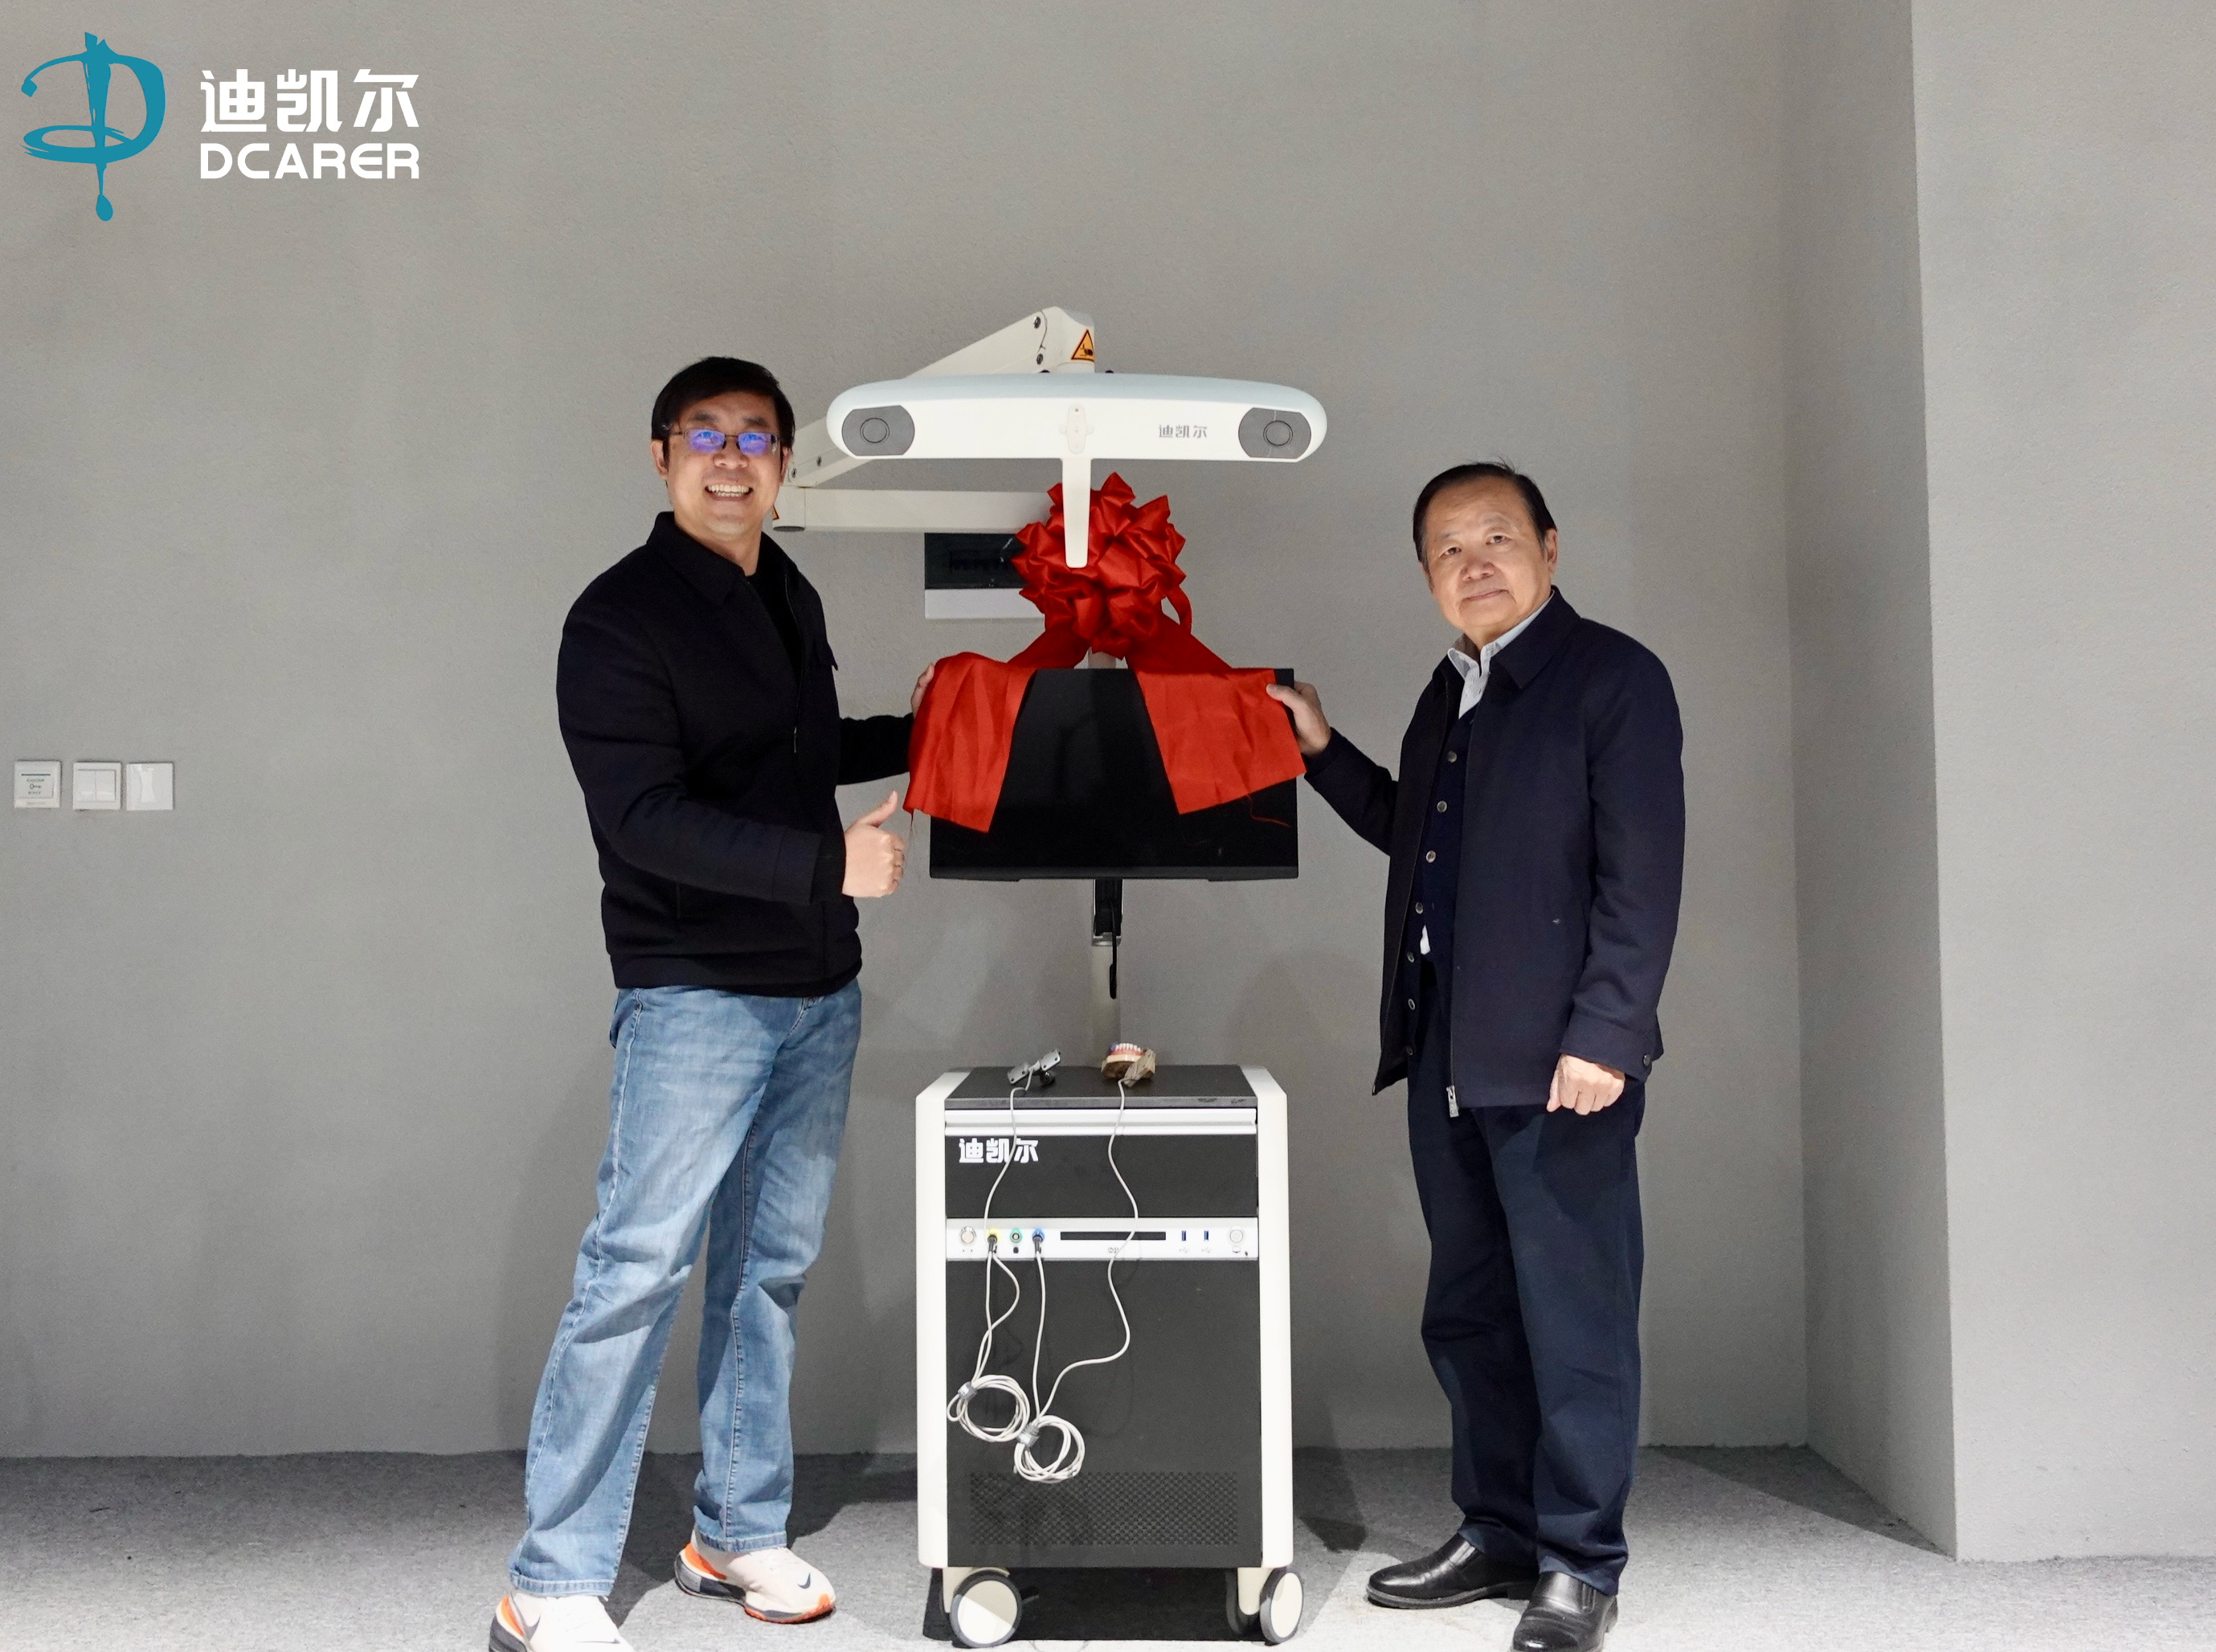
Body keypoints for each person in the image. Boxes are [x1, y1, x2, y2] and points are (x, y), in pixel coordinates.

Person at [492, 358, 934, 1652]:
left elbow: (794, 755)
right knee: (634, 1273)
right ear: (661, 456)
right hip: (694, 990)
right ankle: (549, 1578)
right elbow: (643, 819)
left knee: (765, 1275)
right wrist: (829, 864)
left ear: (784, 465)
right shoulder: (617, 618)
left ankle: (735, 1532)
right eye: (705, 435)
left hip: (816, 987)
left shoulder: (785, 589)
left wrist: (930, 726)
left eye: (755, 438)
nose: (730, 458)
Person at [1267, 463, 1683, 1652]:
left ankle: (1579, 1562)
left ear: (1550, 547)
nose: (1474, 562)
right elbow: (1421, 835)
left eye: (1497, 537)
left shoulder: (1612, 677)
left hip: (1561, 1064)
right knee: (1469, 1311)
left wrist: (1605, 1036)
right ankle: (1495, 1528)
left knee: (1574, 1319)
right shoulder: (1450, 690)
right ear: (1427, 577)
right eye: (1448, 549)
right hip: (1449, 1049)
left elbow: (1643, 874)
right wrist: (1320, 751)